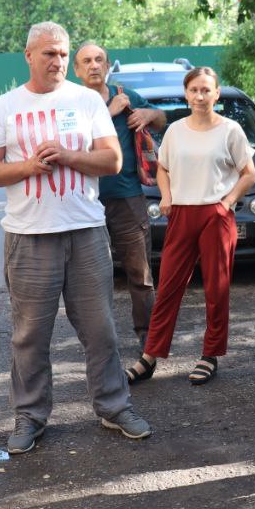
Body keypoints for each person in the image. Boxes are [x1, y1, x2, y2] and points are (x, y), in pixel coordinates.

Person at [0, 22, 152, 453]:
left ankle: (114, 406)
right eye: (48, 53)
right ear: (29, 56)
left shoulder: (86, 100)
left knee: (101, 330)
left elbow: (111, 160)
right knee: (30, 335)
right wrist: (28, 168)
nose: (55, 61)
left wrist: (69, 156)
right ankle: (30, 416)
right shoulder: (4, 107)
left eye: (61, 53)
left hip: (86, 232)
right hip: (29, 236)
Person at [134, 66, 255, 385]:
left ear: (216, 93)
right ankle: (150, 356)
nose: (200, 96)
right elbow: (162, 169)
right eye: (194, 90)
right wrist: (166, 195)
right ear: (186, 94)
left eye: (206, 90)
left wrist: (227, 204)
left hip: (216, 215)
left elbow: (249, 173)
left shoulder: (230, 130)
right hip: (182, 215)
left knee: (216, 288)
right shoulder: (175, 131)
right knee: (169, 287)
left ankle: (210, 354)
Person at [73, 41, 166, 350]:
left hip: (127, 197)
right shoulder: (70, 104)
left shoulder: (124, 96)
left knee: (139, 274)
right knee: (92, 278)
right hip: (85, 200)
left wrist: (147, 113)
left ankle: (148, 338)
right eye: (86, 60)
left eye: (99, 59)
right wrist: (106, 113)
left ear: (108, 64)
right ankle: (100, 340)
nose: (94, 65)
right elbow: (69, 147)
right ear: (77, 70)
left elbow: (162, 120)